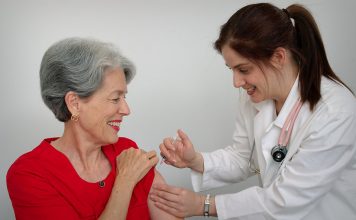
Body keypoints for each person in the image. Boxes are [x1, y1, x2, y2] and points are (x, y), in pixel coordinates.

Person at [150, 3, 356, 220]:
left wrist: (203, 205)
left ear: (278, 57)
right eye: (232, 70)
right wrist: (196, 161)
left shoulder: (335, 112)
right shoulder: (256, 96)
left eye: (244, 69)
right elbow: (243, 159)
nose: (236, 82)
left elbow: (285, 201)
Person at [6, 37, 182, 220]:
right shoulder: (30, 174)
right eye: (115, 99)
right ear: (74, 103)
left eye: (124, 98)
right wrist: (125, 181)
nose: (126, 110)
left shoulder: (127, 152)